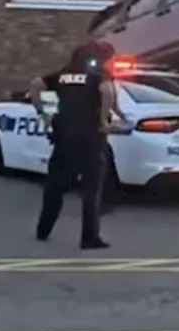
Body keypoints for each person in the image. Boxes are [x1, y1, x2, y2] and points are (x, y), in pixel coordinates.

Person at [28, 40, 126, 249]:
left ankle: (43, 230)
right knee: (91, 190)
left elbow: (36, 84)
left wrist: (42, 112)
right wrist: (103, 120)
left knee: (55, 187)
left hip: (63, 136)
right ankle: (89, 238)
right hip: (90, 138)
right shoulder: (98, 74)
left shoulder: (63, 74)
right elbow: (107, 92)